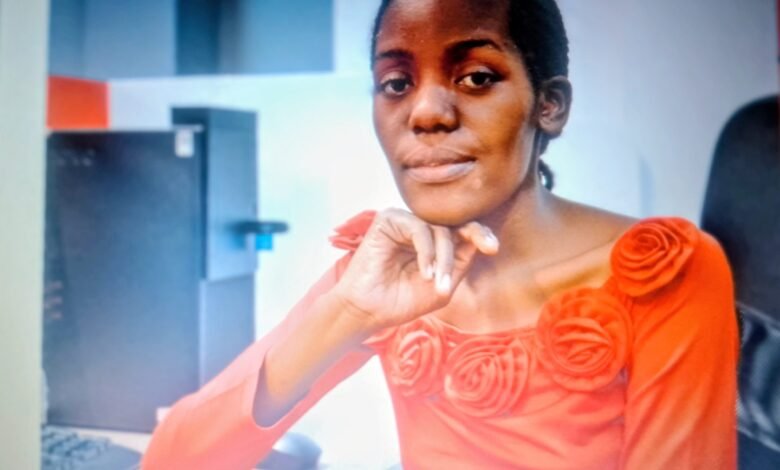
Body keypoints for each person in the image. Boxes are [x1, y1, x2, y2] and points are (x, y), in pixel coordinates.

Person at [142, 0, 738, 468]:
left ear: (549, 105)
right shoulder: (383, 273)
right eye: (396, 84)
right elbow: (172, 460)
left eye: (476, 77)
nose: (425, 113)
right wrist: (348, 314)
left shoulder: (664, 270)